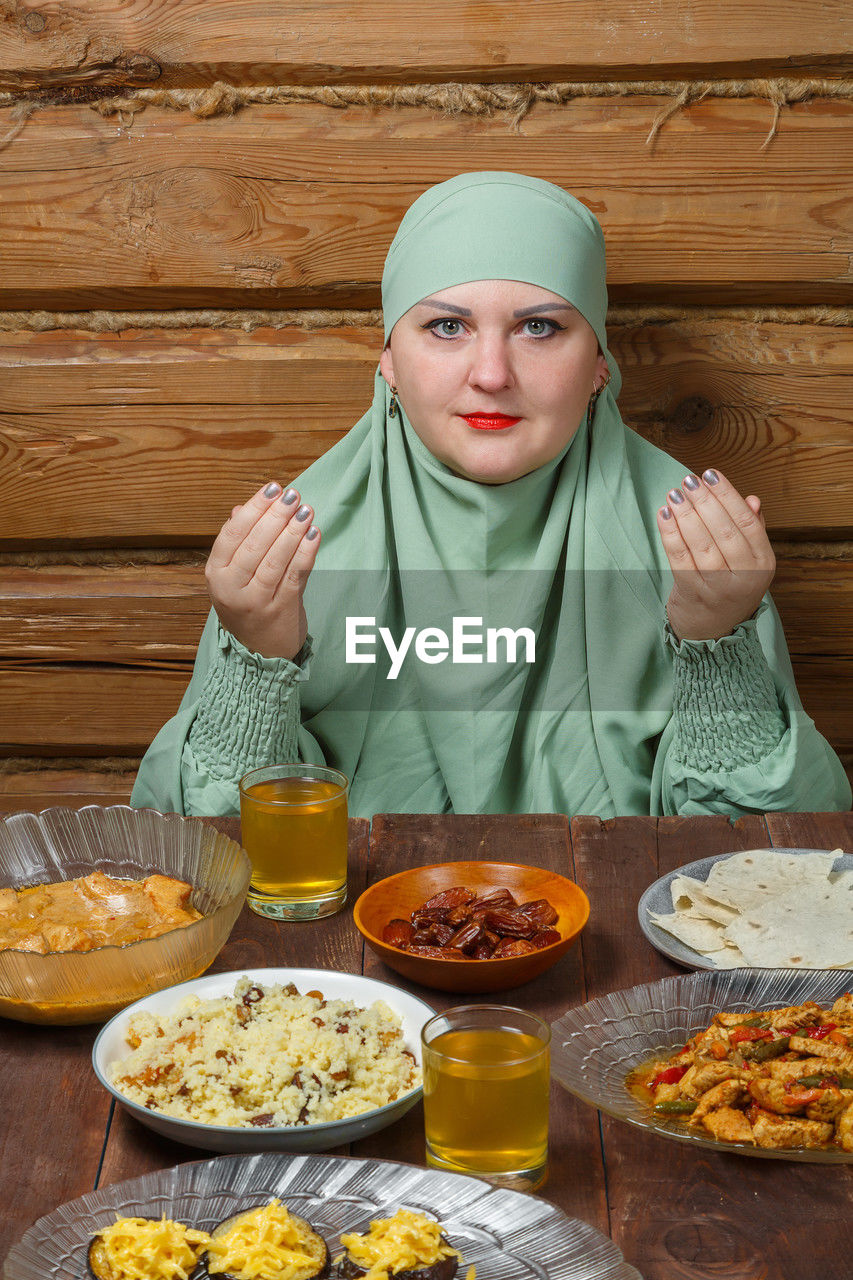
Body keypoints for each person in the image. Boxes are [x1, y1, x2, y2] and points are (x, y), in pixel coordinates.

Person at [131, 172, 851, 819]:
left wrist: (714, 641)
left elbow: (764, 864)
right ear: (387, 359)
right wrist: (260, 656)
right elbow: (204, 850)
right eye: (446, 327)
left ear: (598, 363)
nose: (490, 373)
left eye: (539, 328)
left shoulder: (685, 528)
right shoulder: (294, 538)